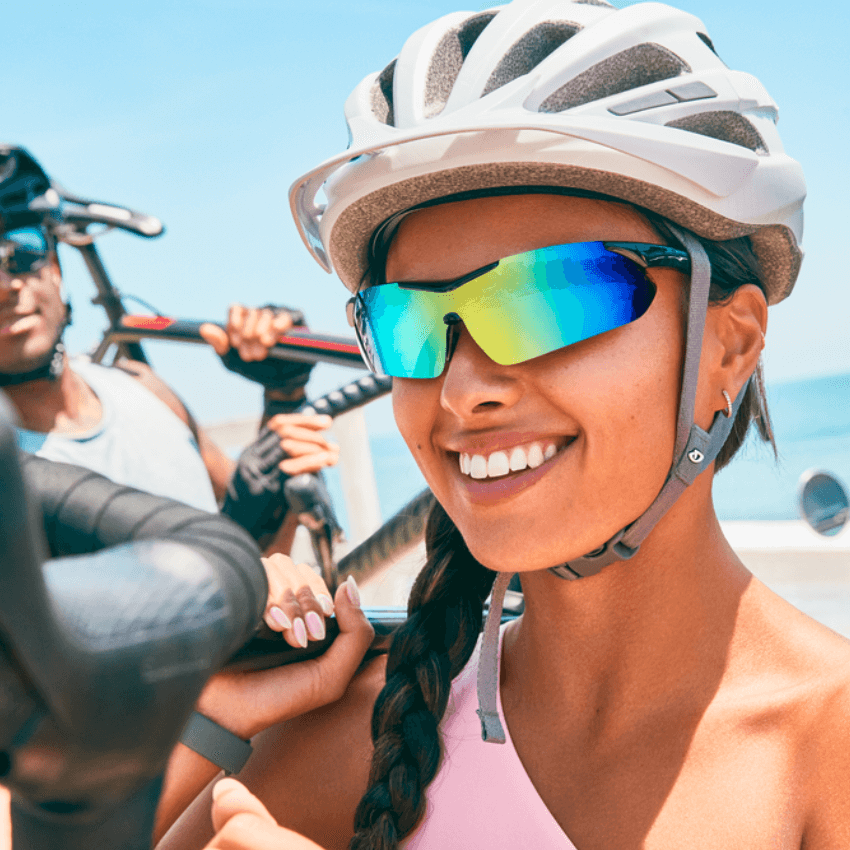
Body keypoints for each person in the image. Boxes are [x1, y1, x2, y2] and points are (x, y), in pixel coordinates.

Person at [160, 1, 850, 848]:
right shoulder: (342, 742)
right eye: (411, 323)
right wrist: (203, 723)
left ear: (729, 344)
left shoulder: (827, 753)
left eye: (554, 298)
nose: (462, 389)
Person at [0, 159, 339, 550]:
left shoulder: (145, 389)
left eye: (23, 251)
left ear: (55, 267)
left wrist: (283, 394)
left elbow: (267, 549)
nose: (5, 285)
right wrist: (238, 534)